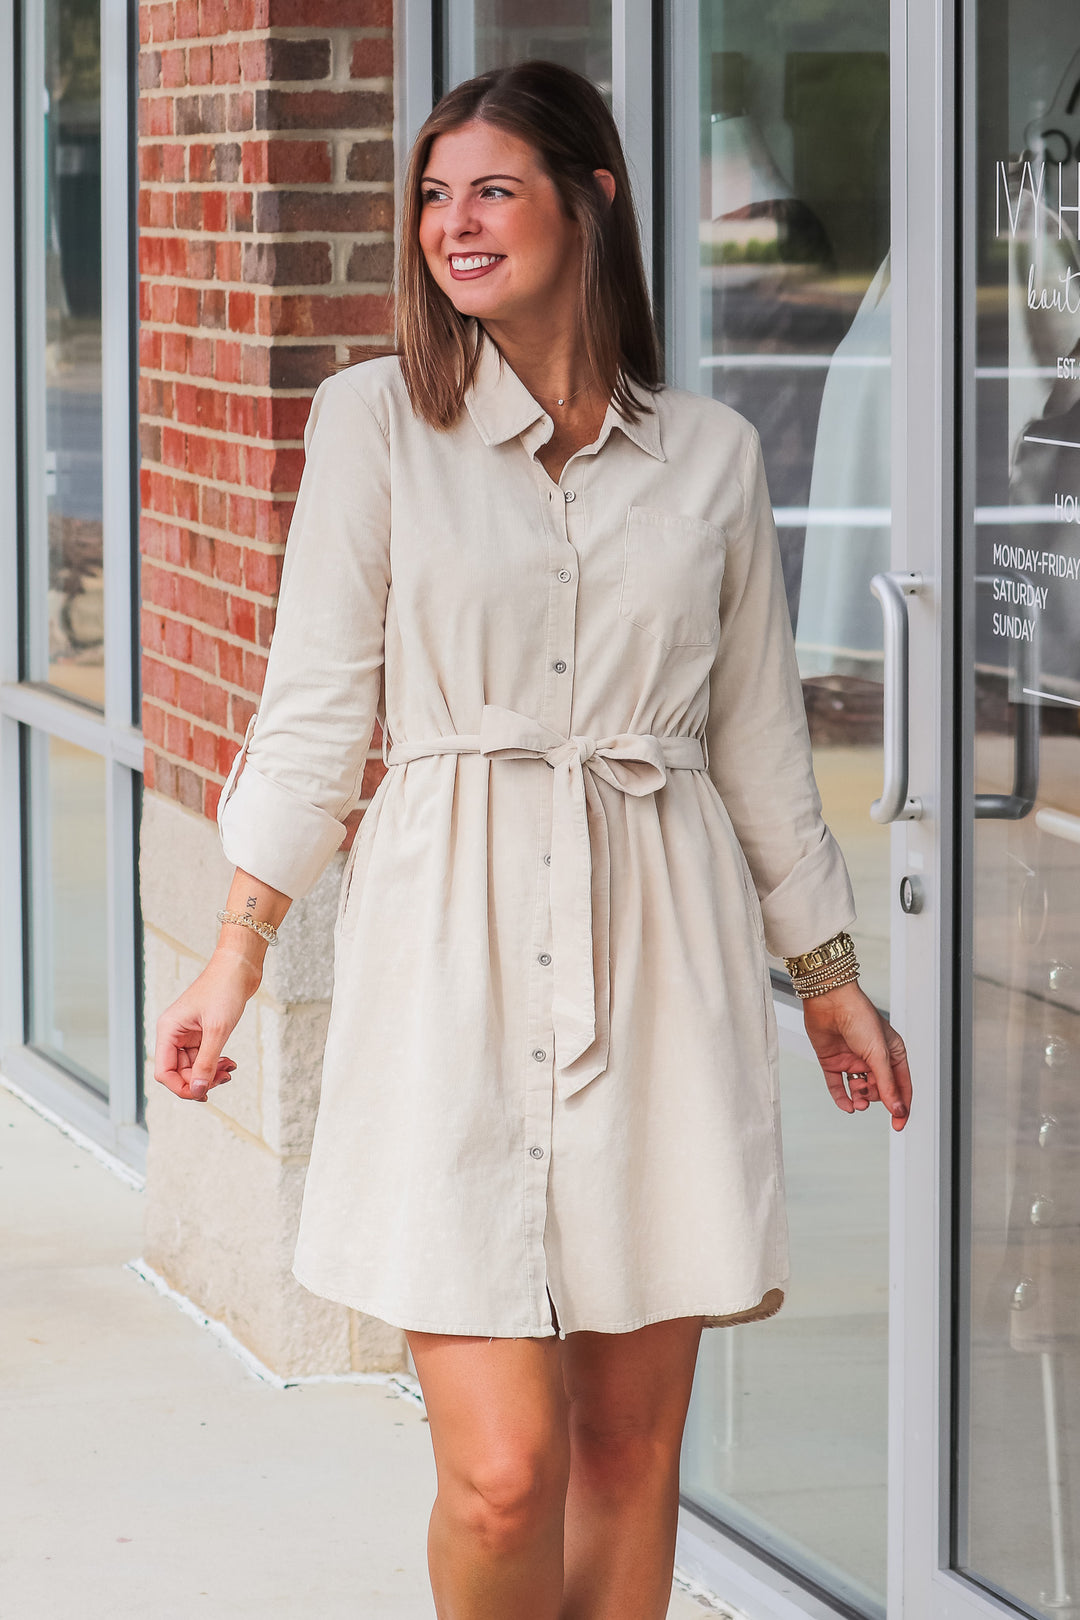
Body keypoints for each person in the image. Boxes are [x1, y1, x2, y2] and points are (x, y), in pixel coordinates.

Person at [154, 59, 912, 1620]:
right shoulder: (374, 424)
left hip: (664, 960)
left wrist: (828, 977)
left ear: (595, 199)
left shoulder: (709, 458)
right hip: (449, 958)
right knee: (504, 1473)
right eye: (434, 196)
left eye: (491, 188)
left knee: (632, 1460)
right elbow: (311, 712)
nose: (454, 223)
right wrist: (234, 953)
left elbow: (759, 744)